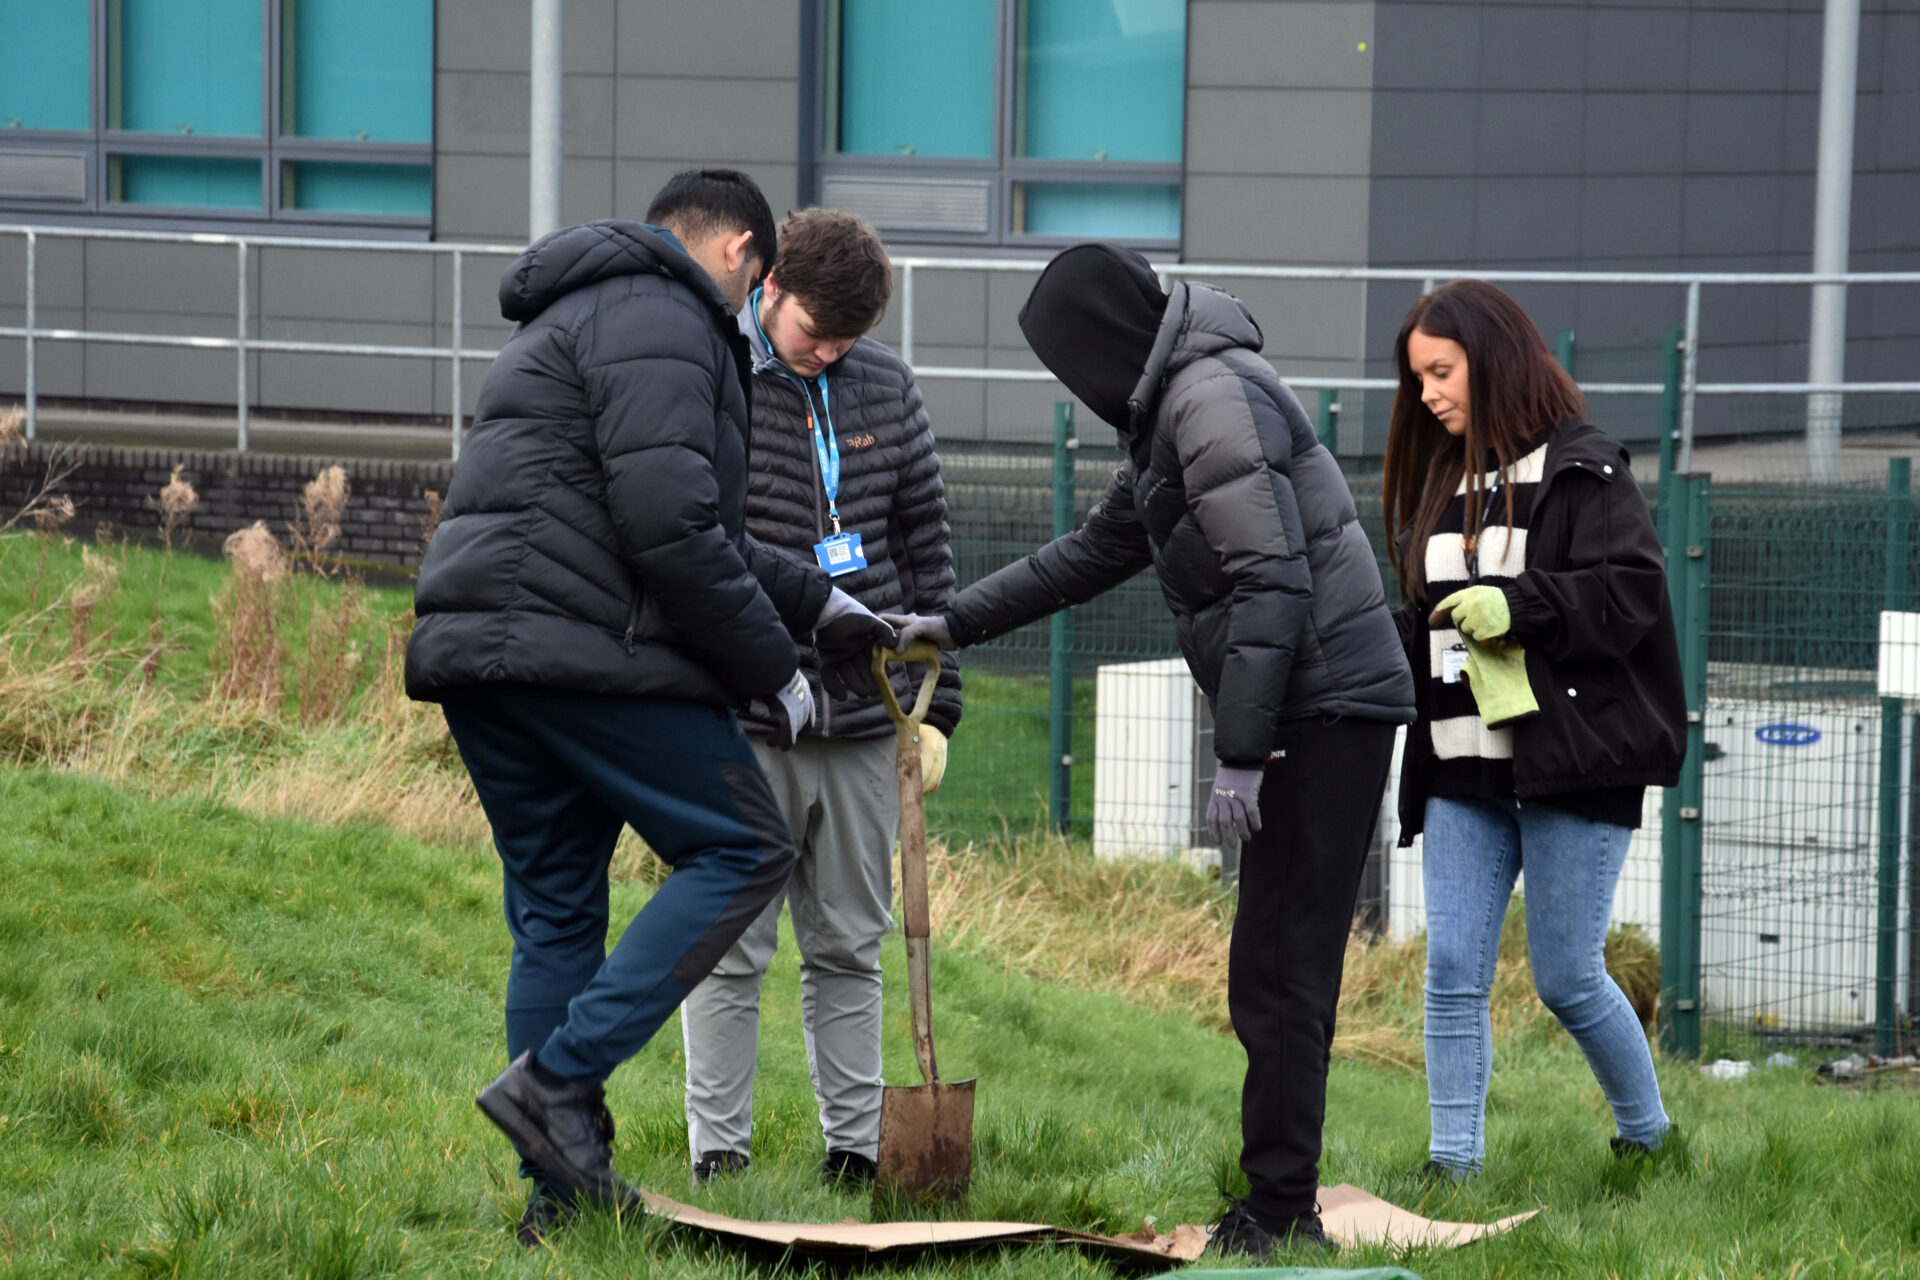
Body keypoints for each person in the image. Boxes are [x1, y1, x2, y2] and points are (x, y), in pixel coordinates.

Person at [886, 244, 1415, 1258]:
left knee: (1283, 967)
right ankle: (1281, 1200)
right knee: (1273, 965)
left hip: (1323, 710)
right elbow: (1091, 552)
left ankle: (1280, 1211)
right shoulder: (1172, 405)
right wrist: (952, 623)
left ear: (1098, 343)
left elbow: (1272, 580)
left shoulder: (1209, 400)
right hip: (1307, 704)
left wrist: (1243, 753)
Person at [404, 169, 894, 1246]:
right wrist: (775, 670)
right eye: (758, 282)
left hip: (487, 657)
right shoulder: (670, 316)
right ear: (740, 252)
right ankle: (557, 1081)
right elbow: (672, 528)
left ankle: (558, 1204)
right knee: (743, 846)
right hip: (581, 653)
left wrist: (822, 605)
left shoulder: (580, 310)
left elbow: (694, 524)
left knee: (558, 916)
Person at [680, 208, 963, 1189]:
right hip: (744, 716)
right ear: (769, 289)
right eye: (815, 331)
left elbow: (927, 548)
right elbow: (690, 542)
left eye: (848, 338)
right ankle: (719, 1156)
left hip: (866, 719)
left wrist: (938, 709)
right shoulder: (713, 377)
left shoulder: (887, 384)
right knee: (729, 945)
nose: (828, 351)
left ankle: (854, 1152)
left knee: (849, 944)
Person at [1381, 279, 1685, 1179]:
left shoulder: (1586, 465)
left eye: (1442, 372)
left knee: (1567, 978)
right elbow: (1425, 618)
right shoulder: (1444, 476)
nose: (1427, 394)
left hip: (1571, 767)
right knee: (1451, 972)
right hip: (1459, 767)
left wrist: (1518, 604)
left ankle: (1650, 1143)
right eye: (1419, 378)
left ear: (1494, 360)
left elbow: (1630, 593)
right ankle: (1453, 1168)